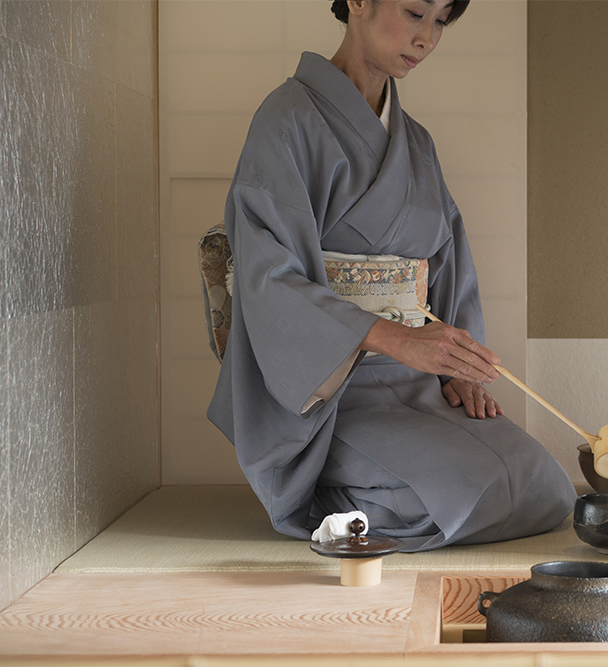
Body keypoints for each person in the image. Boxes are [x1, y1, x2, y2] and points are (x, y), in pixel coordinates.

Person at [208, 0, 575, 551]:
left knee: (546, 486)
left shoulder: (417, 144)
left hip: (418, 386)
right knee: (471, 491)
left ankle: (366, 494)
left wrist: (459, 368)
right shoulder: (284, 120)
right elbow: (268, 280)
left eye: (441, 20)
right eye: (414, 11)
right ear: (358, 1)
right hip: (332, 396)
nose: (426, 36)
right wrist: (399, 339)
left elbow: (450, 262)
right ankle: (315, 494)